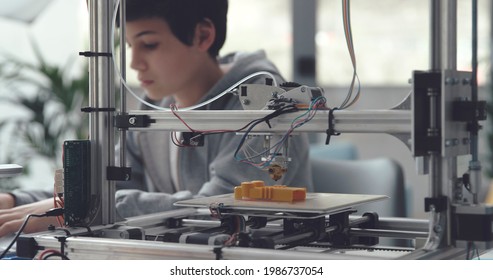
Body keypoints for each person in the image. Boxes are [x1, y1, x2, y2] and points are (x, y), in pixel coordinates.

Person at [0, 0, 312, 237]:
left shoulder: (270, 104)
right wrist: (16, 200)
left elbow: (224, 209)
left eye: (149, 44)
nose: (133, 63)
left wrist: (87, 209)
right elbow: (108, 187)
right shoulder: (154, 108)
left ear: (202, 35)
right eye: (130, 45)